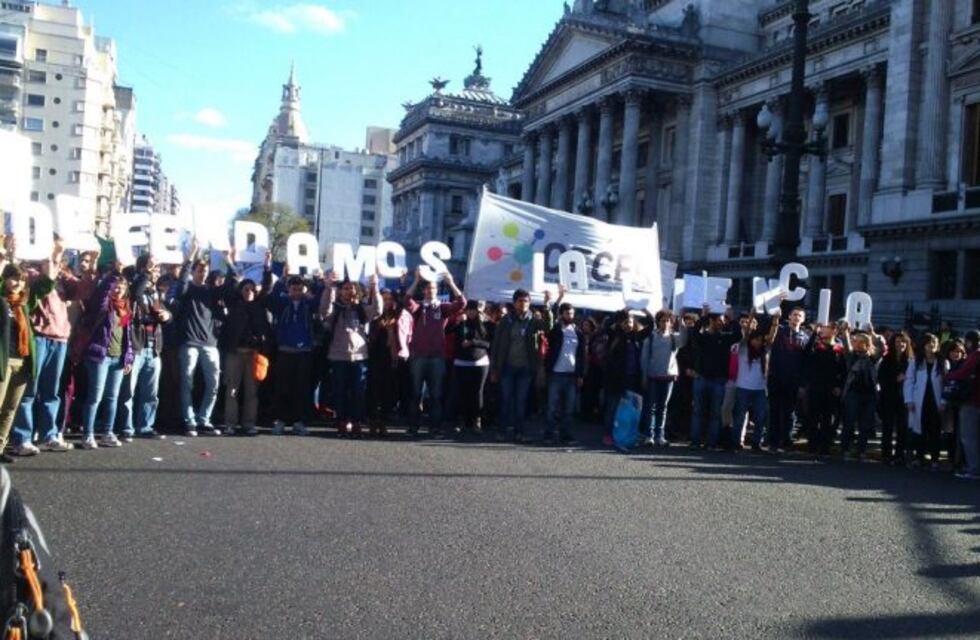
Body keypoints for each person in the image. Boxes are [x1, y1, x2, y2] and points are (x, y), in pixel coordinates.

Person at [11, 240, 85, 455]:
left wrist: (81, 267)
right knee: (29, 390)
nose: (58, 259)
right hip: (38, 337)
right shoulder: (31, 275)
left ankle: (49, 435)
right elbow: (45, 283)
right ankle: (22, 437)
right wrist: (52, 261)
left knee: (52, 392)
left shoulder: (63, 278)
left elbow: (82, 290)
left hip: (60, 338)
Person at [0, 259, 54, 463]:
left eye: (21, 280)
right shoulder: (1, 300)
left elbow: (46, 285)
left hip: (22, 362)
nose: (17, 284)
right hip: (3, 362)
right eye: (13, 279)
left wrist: (51, 259)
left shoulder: (24, 303)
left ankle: (0, 446)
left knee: (11, 408)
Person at [403, 268, 466, 437]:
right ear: (424, 290)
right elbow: (406, 299)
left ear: (437, 291)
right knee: (416, 393)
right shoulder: (418, 307)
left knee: (436, 395)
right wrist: (416, 280)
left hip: (437, 357)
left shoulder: (443, 308)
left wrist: (450, 282)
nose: (431, 291)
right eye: (428, 288)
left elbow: (462, 303)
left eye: (434, 288)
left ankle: (435, 427)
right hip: (418, 356)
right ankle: (413, 426)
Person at [78, 275, 135, 449]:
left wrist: (129, 358)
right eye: (115, 287)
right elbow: (102, 294)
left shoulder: (125, 309)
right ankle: (87, 434)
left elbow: (128, 337)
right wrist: (113, 275)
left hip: (117, 357)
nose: (118, 290)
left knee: (112, 397)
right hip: (99, 357)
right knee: (95, 397)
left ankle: (107, 433)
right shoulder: (103, 306)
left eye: (122, 287)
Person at [219, 251, 272, 437]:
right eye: (245, 289)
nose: (249, 292)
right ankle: (230, 424)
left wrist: (267, 266)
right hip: (235, 352)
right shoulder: (234, 304)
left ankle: (249, 424)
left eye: (252, 289)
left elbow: (267, 286)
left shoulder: (260, 305)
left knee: (252, 391)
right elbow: (230, 283)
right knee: (232, 389)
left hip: (254, 353)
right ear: (240, 291)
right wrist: (229, 262)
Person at [321, 273, 381, 436]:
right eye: (345, 288)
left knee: (359, 392)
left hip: (359, 357)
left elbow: (377, 310)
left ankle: (356, 422)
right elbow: (324, 310)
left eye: (352, 288)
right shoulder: (336, 309)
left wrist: (375, 287)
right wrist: (329, 288)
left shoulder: (361, 309)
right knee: (339, 391)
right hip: (338, 356)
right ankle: (341, 421)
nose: (349, 291)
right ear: (341, 291)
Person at [174, 242, 222, 437]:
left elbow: (232, 285)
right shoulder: (186, 290)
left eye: (205, 270)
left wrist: (230, 260)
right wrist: (192, 254)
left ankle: (204, 419)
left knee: (214, 383)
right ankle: (189, 420)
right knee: (187, 382)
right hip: (189, 343)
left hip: (210, 343)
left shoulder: (211, 291)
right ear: (194, 271)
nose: (203, 273)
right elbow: (182, 281)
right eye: (200, 270)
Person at [490, 288, 550, 443]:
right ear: (514, 303)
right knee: (505, 400)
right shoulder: (506, 320)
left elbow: (548, 327)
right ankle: (501, 431)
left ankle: (519, 432)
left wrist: (547, 305)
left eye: (526, 301)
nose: (523, 304)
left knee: (521, 401)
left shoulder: (534, 320)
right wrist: (495, 369)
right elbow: (496, 345)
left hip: (526, 369)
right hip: (507, 367)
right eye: (520, 301)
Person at [267, 272, 321, 436]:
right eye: (293, 289)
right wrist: (282, 278)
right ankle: (281, 420)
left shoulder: (309, 304)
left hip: (304, 351)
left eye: (300, 289)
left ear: (304, 290)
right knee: (283, 388)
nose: (297, 292)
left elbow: (321, 300)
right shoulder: (282, 303)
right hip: (285, 351)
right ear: (288, 289)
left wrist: (319, 282)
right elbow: (272, 297)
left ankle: (300, 421)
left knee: (302, 389)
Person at [690, 306, 741, 449]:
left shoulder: (725, 337)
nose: (721, 322)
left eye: (722, 320)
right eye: (718, 320)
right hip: (701, 378)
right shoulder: (703, 337)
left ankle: (711, 443)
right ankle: (695, 441)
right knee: (698, 411)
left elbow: (739, 336)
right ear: (711, 321)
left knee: (715, 413)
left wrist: (732, 319)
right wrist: (703, 317)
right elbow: (694, 334)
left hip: (719, 380)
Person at [602, 308, 653, 447]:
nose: (627, 324)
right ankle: (608, 434)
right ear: (620, 323)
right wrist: (623, 312)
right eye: (625, 322)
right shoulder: (614, 335)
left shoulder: (636, 336)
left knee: (631, 410)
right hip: (615, 380)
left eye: (629, 322)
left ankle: (629, 434)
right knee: (612, 407)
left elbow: (651, 327)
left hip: (633, 380)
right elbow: (607, 324)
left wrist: (646, 312)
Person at [640, 310, 688, 447]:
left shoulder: (674, 338)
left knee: (663, 407)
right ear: (658, 322)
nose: (665, 323)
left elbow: (684, 340)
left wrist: (681, 321)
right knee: (651, 407)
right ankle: (648, 435)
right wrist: (644, 376)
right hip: (653, 376)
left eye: (668, 320)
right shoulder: (650, 337)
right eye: (662, 320)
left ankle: (660, 435)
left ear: (671, 322)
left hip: (668, 376)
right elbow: (644, 358)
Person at [766, 306, 811, 451]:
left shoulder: (805, 337)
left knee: (789, 413)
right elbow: (770, 338)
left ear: (803, 319)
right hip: (776, 378)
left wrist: (803, 384)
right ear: (789, 317)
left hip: (793, 381)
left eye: (800, 315)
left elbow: (806, 362)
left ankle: (786, 441)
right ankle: (772, 442)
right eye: (794, 315)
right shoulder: (780, 330)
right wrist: (775, 319)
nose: (796, 317)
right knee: (774, 411)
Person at [543, 291, 585, 445]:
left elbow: (581, 356)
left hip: (571, 375)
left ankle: (565, 434)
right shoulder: (556, 330)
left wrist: (580, 375)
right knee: (552, 407)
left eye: (572, 313)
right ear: (561, 315)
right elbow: (551, 315)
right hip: (556, 374)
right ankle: (549, 433)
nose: (570, 315)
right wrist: (557, 298)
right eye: (567, 313)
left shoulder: (578, 332)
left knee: (568, 408)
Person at [839, 324, 884, 460]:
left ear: (866, 344)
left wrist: (873, 333)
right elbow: (846, 346)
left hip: (869, 394)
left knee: (865, 424)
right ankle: (845, 449)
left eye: (860, 342)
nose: (856, 344)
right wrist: (846, 332)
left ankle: (861, 450)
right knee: (849, 422)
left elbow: (881, 348)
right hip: (853, 393)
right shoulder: (852, 356)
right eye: (855, 341)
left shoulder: (872, 357)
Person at [800, 322, 846, 456]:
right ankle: (812, 445)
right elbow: (807, 353)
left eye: (827, 328)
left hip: (831, 389)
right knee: (813, 417)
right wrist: (815, 333)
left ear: (833, 331)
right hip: (815, 386)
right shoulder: (816, 346)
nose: (823, 330)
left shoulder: (839, 349)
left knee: (828, 419)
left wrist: (839, 386)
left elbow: (842, 371)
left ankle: (825, 446)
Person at [904, 333, 947, 469]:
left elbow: (947, 384)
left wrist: (944, 401)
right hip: (919, 401)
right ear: (923, 346)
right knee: (919, 430)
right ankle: (919, 457)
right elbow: (909, 381)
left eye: (934, 343)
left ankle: (934, 459)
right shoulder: (915, 361)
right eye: (929, 343)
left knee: (935, 430)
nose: (931, 346)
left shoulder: (942, 362)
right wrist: (909, 400)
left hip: (936, 401)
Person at [452, 299, 491, 435]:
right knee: (462, 392)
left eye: (473, 309)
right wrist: (457, 322)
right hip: (461, 362)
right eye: (469, 309)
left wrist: (473, 342)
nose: (471, 312)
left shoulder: (485, 324)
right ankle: (462, 420)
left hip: (480, 362)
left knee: (478, 392)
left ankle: (477, 420)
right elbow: (449, 333)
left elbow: (489, 344)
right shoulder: (461, 324)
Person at [946, 330, 980, 479]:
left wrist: (948, 376)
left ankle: (973, 468)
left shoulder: (976, 355)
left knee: (969, 436)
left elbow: (963, 373)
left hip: (971, 400)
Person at [878, 331, 913, 464]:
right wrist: (895, 379)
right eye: (898, 342)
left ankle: (899, 454)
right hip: (889, 397)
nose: (901, 344)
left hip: (904, 399)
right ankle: (886, 453)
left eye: (903, 342)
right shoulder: (887, 359)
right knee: (887, 426)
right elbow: (881, 378)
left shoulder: (910, 361)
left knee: (902, 427)